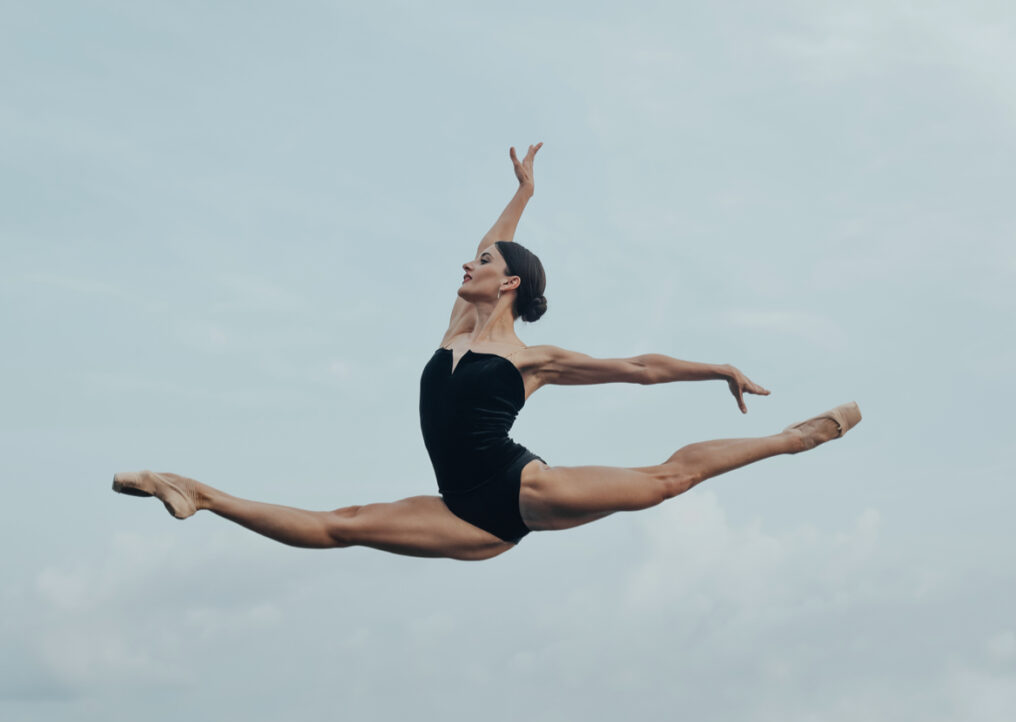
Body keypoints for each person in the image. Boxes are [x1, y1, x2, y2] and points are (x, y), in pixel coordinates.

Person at [113, 142, 861, 561]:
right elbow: (492, 238)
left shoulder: (533, 359)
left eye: (482, 262)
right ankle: (196, 492)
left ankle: (793, 439)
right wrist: (525, 192)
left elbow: (639, 368)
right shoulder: (454, 330)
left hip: (520, 489)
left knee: (666, 481)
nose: (466, 264)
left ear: (507, 284)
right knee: (341, 523)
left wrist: (717, 366)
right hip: (467, 515)